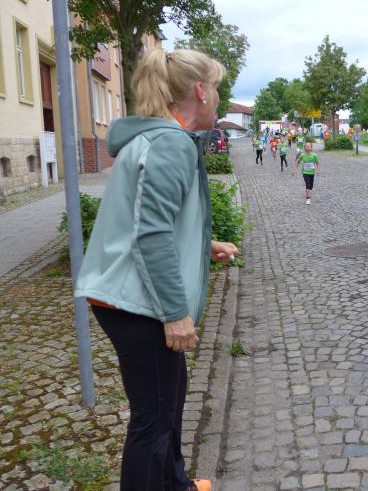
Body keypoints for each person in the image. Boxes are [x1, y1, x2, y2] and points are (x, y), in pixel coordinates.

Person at [74, 49, 238, 491]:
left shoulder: (160, 138)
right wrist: (175, 314)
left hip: (132, 295)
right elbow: (150, 234)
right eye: (216, 88)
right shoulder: (170, 143)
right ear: (200, 91)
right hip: (138, 302)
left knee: (170, 401)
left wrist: (204, 245)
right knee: (153, 420)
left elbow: (149, 219)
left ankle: (177, 484)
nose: (218, 98)